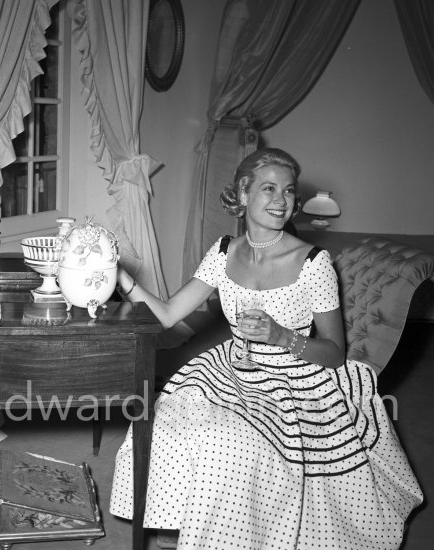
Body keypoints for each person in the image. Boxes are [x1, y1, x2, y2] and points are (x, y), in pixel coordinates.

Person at [110, 148, 423, 549]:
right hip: (234, 368)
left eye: (289, 191)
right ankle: (197, 524)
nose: (281, 200)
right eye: (269, 189)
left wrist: (280, 336)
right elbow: (169, 313)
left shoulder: (313, 263)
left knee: (229, 445)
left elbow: (334, 353)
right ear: (242, 195)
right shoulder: (224, 251)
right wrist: (119, 275)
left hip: (297, 378)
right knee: (171, 420)